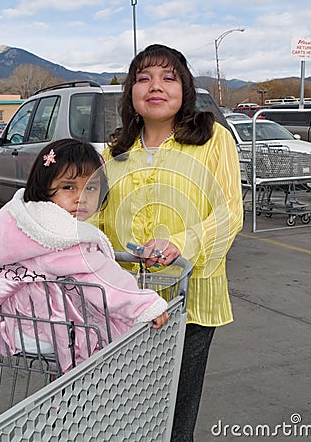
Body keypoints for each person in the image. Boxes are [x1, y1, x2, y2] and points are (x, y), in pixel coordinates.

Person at [99, 44, 243, 441]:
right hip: (125, 302)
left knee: (173, 417)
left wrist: (182, 243)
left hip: (189, 299)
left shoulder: (213, 140)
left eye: (168, 77)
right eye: (143, 78)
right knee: (126, 410)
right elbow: (94, 216)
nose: (155, 86)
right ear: (130, 91)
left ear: (185, 89)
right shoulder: (116, 153)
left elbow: (230, 211)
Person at [0, 139, 169, 373]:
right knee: (106, 336)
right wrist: (146, 305)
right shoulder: (60, 237)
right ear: (44, 186)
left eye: (90, 187)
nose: (81, 197)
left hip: (10, 321)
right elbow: (104, 281)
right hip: (41, 328)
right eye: (68, 187)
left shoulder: (22, 219)